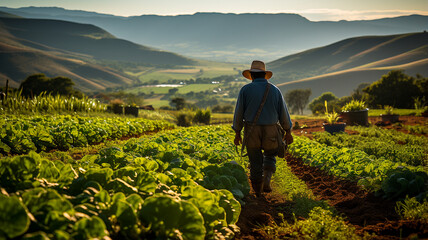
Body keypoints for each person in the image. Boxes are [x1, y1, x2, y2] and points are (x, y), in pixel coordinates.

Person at [232, 60, 293, 197]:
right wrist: (288, 131)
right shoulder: (275, 90)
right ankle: (267, 179)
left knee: (255, 161)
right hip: (271, 129)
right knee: (270, 154)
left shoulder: (245, 90)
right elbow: (283, 112)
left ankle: (258, 193)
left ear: (252, 75)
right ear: (265, 75)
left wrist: (237, 133)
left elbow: (239, 113)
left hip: (251, 131)